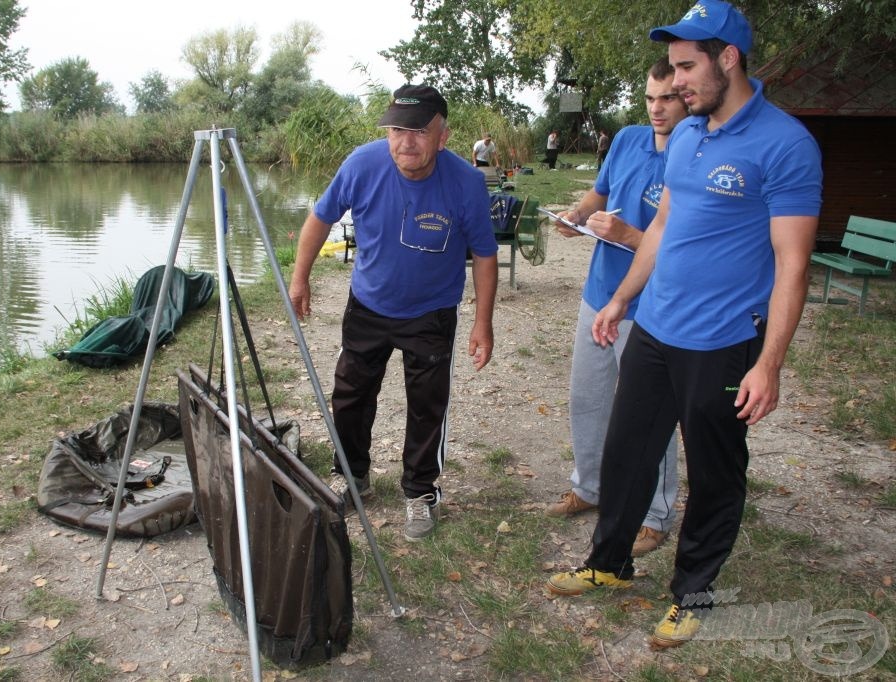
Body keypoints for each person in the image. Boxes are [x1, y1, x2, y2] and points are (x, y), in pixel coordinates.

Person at [544, 0, 823, 650]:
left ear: (728, 58)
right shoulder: (690, 135)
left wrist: (769, 361)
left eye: (686, 67)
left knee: (715, 472)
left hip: (725, 342)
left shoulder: (786, 145)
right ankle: (609, 564)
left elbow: (793, 263)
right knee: (626, 452)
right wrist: (620, 301)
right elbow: (663, 228)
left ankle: (693, 593)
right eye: (670, 68)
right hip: (657, 327)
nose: (674, 84)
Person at [289, 84, 499, 542]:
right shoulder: (362, 164)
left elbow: (484, 254)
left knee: (427, 405)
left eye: (419, 131)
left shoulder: (466, 182)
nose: (406, 142)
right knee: (350, 394)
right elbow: (321, 217)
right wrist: (299, 277)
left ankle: (421, 492)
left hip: (432, 312)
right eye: (397, 130)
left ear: (442, 136)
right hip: (369, 303)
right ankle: (352, 475)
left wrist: (483, 322)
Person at [547, 57, 688, 558]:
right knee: (587, 397)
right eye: (650, 98)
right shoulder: (627, 139)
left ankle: (656, 513)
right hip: (599, 294)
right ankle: (590, 486)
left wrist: (628, 235)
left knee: (649, 413)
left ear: (687, 95)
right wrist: (577, 214)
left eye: (668, 98)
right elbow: (600, 192)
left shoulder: (696, 151)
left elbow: (684, 240)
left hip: (653, 306)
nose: (657, 108)